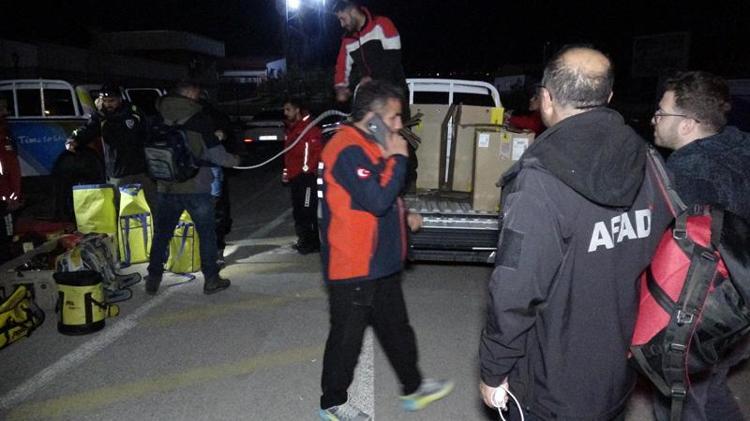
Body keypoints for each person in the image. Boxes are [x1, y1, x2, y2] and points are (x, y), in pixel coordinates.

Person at [478, 46, 673, 420]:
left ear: (546, 99)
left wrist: (494, 367)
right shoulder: (647, 160)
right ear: (608, 97)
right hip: (618, 369)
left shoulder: (540, 179)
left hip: (549, 385)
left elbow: (515, 290)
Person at [318, 80, 453, 421]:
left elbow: (381, 192)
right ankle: (333, 403)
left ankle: (413, 388)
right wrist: (398, 158)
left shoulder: (369, 143)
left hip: (381, 263)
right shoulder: (346, 147)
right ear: (373, 116)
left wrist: (404, 215)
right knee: (347, 340)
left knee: (397, 330)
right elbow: (376, 199)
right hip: (355, 265)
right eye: (394, 117)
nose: (399, 124)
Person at [650, 70, 750, 421]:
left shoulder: (688, 173)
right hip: (741, 310)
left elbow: (676, 254)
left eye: (661, 112)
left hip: (709, 313)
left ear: (688, 125)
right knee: (712, 387)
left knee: (678, 400)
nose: (654, 118)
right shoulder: (740, 150)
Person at [144, 81, 240, 296]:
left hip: (166, 186)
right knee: (206, 234)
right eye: (197, 94)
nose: (199, 98)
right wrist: (235, 160)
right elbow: (217, 156)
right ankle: (211, 279)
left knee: (162, 234)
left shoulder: (158, 117)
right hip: (196, 186)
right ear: (187, 93)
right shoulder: (199, 118)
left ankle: (153, 277)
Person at [332, 0, 418, 191]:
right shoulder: (347, 40)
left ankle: (408, 181)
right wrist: (341, 87)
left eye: (342, 18)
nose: (342, 24)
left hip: (395, 94)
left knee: (401, 137)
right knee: (376, 138)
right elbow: (341, 66)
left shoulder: (382, 24)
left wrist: (372, 79)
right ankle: (384, 180)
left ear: (351, 10)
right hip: (373, 101)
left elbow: (394, 58)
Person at [65, 83, 155, 208]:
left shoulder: (133, 112)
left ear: (120, 99)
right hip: (117, 170)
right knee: (120, 206)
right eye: (105, 101)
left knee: (149, 203)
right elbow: (88, 129)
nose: (108, 104)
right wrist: (74, 140)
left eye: (111, 101)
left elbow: (148, 132)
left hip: (141, 169)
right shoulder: (101, 117)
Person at [282, 97, 323, 254]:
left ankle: (313, 242)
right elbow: (288, 154)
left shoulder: (309, 128)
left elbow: (316, 151)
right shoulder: (291, 129)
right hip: (295, 176)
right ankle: (304, 240)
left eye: (288, 109)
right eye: (284, 110)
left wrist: (307, 168)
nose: (285, 113)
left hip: (306, 177)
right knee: (298, 210)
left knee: (308, 209)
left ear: (297, 110)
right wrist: (286, 172)